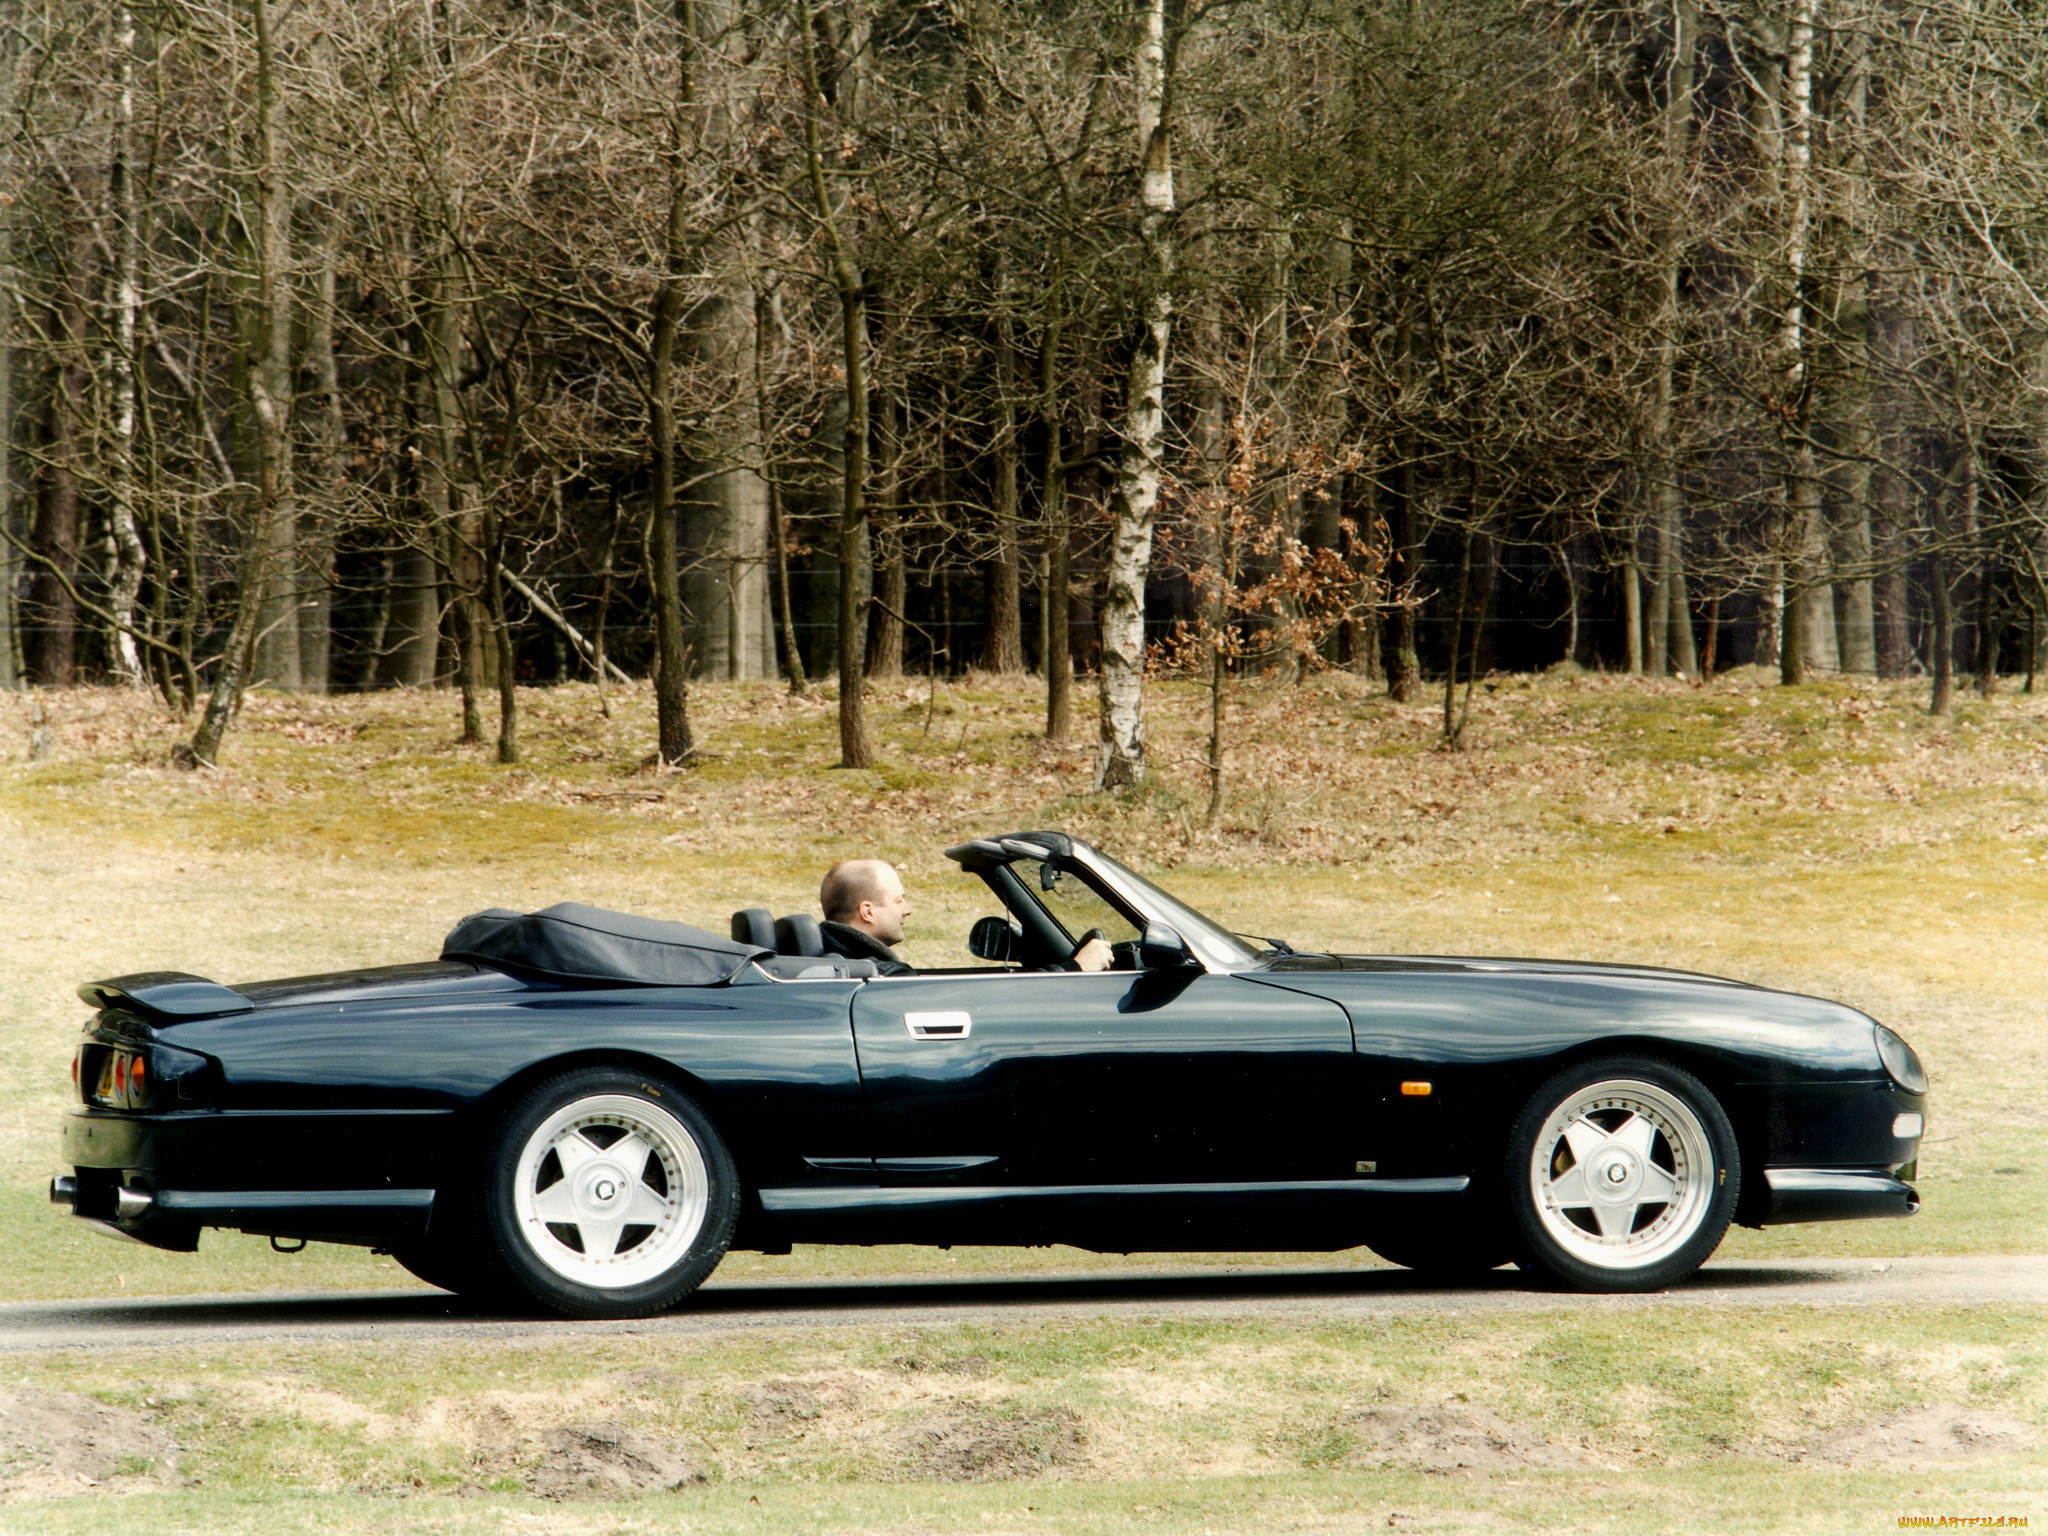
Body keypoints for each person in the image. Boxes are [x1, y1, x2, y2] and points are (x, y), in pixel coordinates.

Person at [818, 858, 1113, 973]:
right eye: (898, 900)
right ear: (867, 911)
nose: (908, 909)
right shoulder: (882, 975)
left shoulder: (839, 962)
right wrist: (1075, 969)